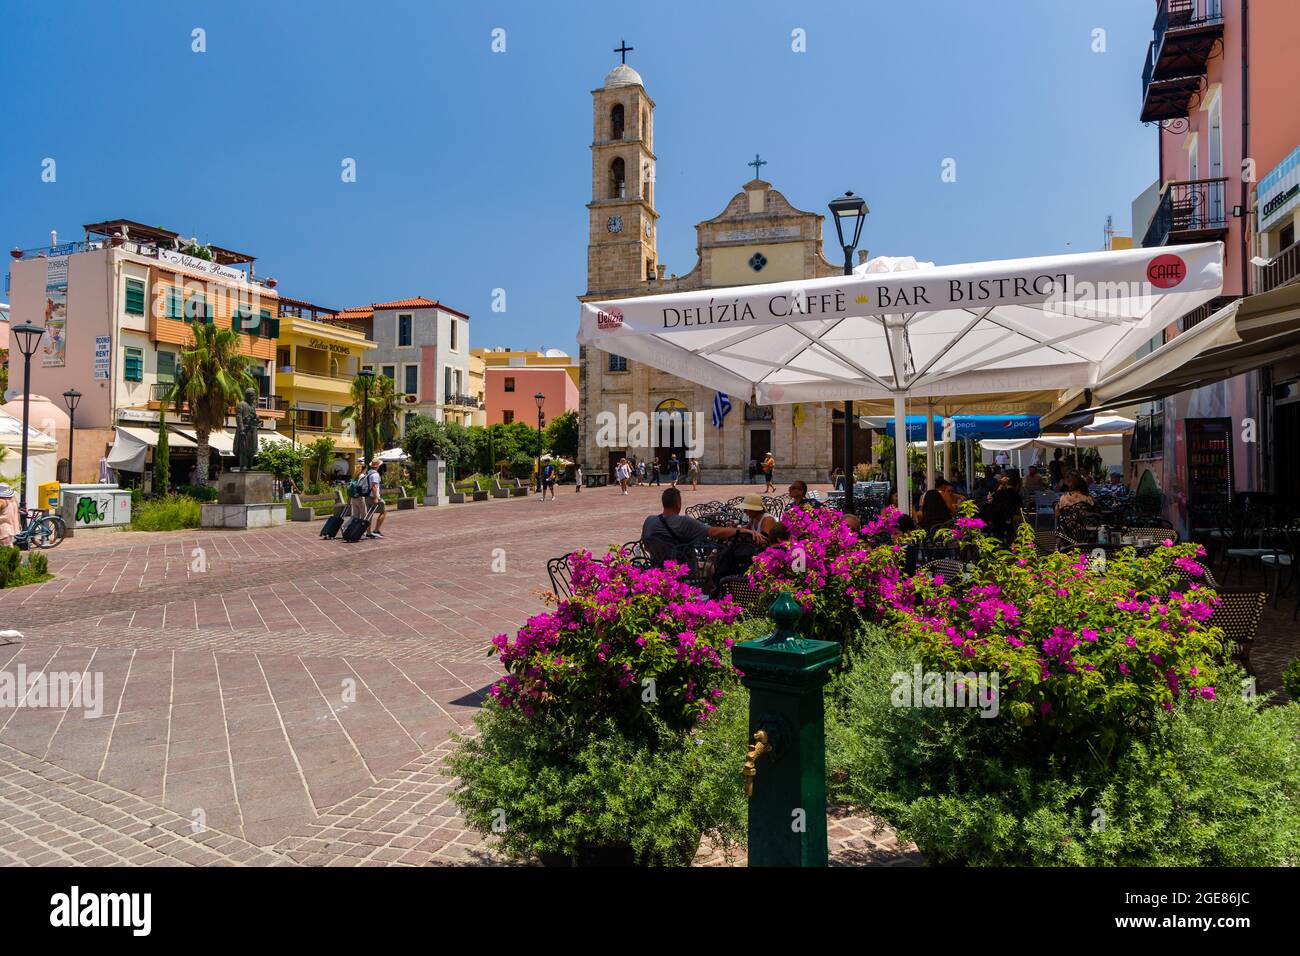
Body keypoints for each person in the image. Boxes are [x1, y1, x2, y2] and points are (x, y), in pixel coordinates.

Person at [640, 487, 765, 565]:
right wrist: (741, 530)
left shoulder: (649, 521)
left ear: (663, 503)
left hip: (656, 566)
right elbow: (714, 532)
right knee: (712, 565)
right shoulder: (683, 521)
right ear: (678, 504)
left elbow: (646, 546)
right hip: (684, 570)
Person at [984, 472, 1025, 543]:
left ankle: (1001, 539)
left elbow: (990, 505)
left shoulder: (998, 494)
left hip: (996, 518)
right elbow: (1020, 507)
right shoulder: (1016, 495)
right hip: (1008, 518)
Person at [363, 458, 387, 539]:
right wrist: (376, 498)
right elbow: (374, 486)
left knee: (369, 514)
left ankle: (368, 532)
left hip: (367, 496)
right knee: (383, 512)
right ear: (378, 466)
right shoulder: (375, 475)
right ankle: (376, 530)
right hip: (373, 496)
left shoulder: (368, 474)